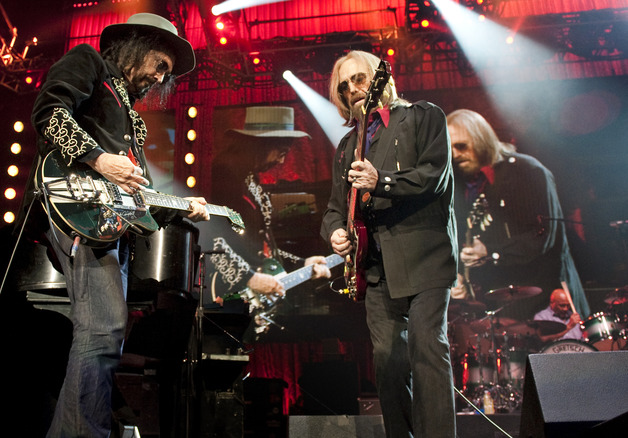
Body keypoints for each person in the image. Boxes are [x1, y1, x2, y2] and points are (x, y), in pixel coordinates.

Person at [30, 13, 210, 437]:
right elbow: (49, 110)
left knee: (105, 333)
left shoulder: (134, 122)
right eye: (159, 65)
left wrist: (182, 208)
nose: (159, 78)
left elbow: (136, 203)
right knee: (101, 331)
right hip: (76, 210)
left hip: (107, 226)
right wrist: (98, 158)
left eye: (166, 72)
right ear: (135, 45)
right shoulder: (88, 61)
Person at [321, 50, 458, 437]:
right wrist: (335, 232)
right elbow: (334, 209)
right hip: (376, 269)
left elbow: (434, 176)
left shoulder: (423, 116)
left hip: (425, 256)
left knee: (427, 347)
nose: (353, 89)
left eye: (360, 79)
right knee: (387, 360)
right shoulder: (348, 145)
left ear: (380, 79)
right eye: (344, 86)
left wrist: (381, 182)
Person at [446, 109, 591, 319]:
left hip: (548, 300)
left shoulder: (527, 170)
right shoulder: (461, 183)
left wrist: (491, 251)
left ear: (481, 140)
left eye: (461, 146)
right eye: (449, 148)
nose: (455, 154)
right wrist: (460, 276)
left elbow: (543, 235)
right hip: (503, 305)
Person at [204, 106, 332, 337]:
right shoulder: (225, 176)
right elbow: (211, 237)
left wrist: (302, 263)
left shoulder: (249, 178)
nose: (282, 162)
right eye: (280, 152)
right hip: (224, 295)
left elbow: (259, 248)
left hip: (247, 296)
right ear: (260, 145)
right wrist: (249, 278)